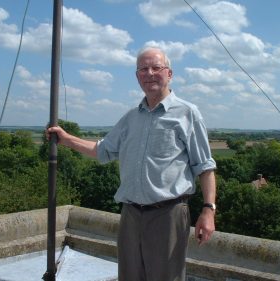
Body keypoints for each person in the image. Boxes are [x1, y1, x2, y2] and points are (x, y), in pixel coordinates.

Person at [47, 46, 216, 281]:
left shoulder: (187, 113)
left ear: (169, 74)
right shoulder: (130, 118)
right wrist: (67, 140)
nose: (150, 73)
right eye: (143, 69)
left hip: (168, 214)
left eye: (156, 67)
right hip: (131, 215)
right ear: (137, 77)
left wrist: (208, 210)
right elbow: (103, 150)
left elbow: (205, 167)